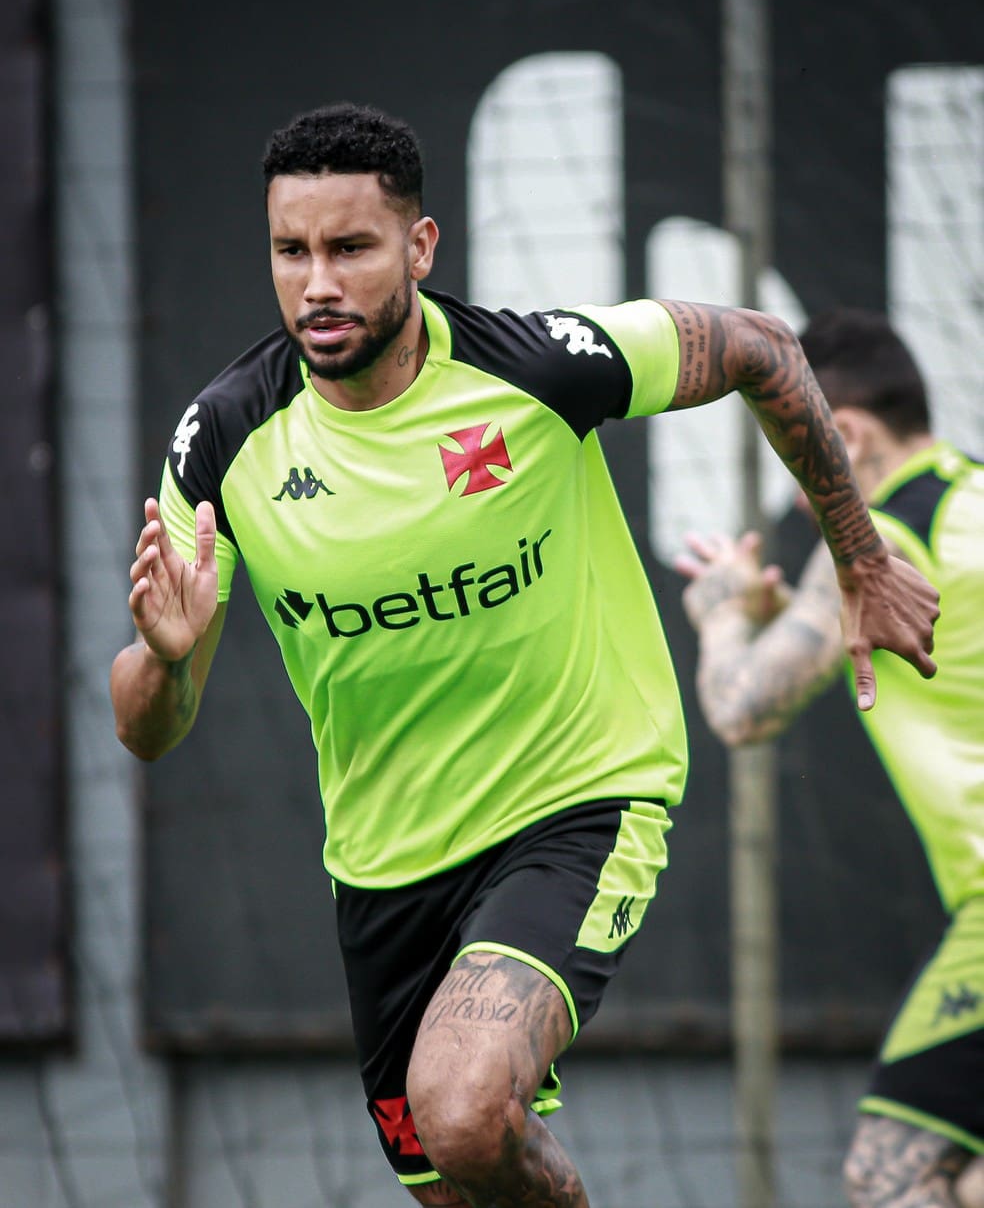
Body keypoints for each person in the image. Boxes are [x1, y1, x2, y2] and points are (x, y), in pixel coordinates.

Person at [110, 105, 939, 1208]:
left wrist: (860, 556)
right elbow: (148, 729)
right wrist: (166, 661)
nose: (317, 283)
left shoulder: (538, 366)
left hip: (578, 800)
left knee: (462, 1108)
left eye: (350, 247)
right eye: (290, 250)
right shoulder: (220, 441)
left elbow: (760, 347)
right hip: (383, 865)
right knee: (462, 1180)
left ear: (419, 247)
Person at [676, 307, 983, 1208]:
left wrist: (725, 613)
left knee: (889, 1180)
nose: (800, 477)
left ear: (840, 433)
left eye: (795, 443)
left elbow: (744, 706)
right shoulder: (968, 498)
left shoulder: (877, 535)